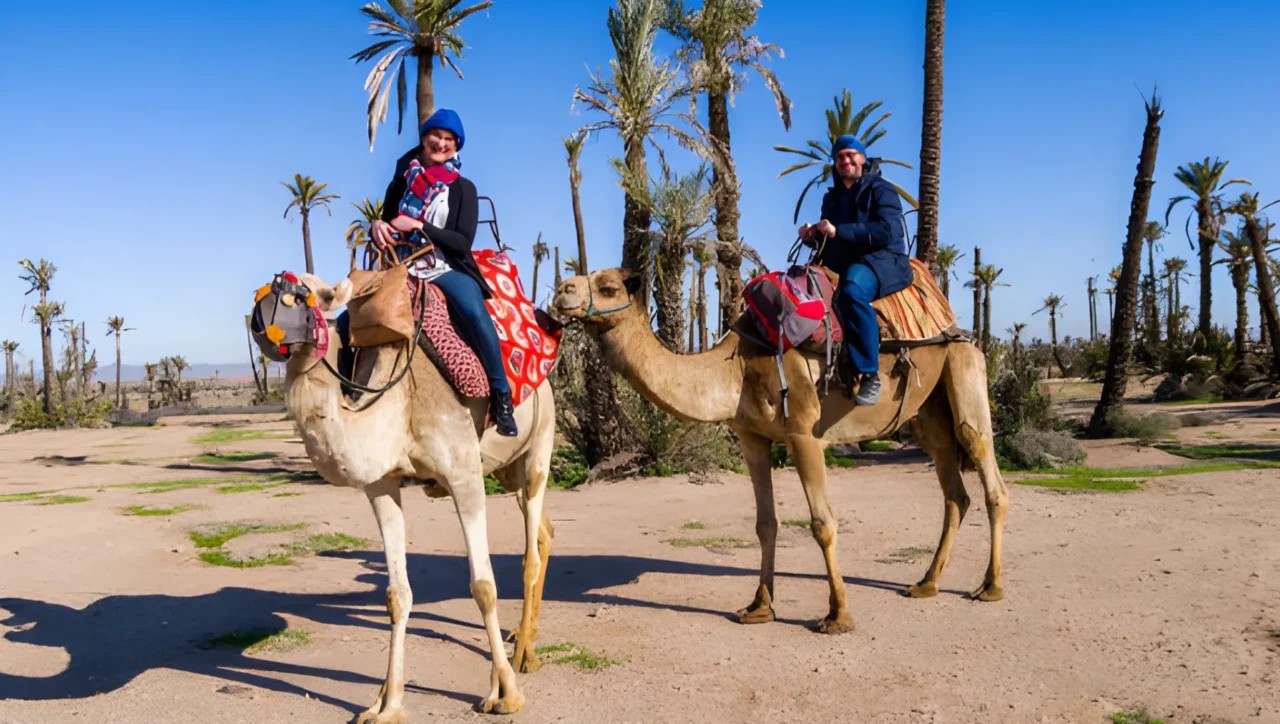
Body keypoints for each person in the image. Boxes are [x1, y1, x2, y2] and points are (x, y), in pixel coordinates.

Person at [338, 108, 517, 436]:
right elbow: (389, 219)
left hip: (443, 266)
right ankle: (347, 391)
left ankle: (501, 396)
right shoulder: (403, 181)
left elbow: (462, 241)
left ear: (456, 146)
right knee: (346, 319)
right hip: (400, 267)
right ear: (424, 137)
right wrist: (378, 225)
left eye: (450, 139)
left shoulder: (463, 188)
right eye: (437, 136)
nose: (442, 143)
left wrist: (421, 225)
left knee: (475, 313)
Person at [799, 134, 911, 406]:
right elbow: (833, 244)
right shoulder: (832, 199)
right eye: (840, 157)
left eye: (851, 155)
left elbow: (885, 232)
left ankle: (870, 374)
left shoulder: (882, 190)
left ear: (862, 158)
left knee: (852, 292)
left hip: (883, 260)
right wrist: (813, 237)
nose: (845, 160)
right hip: (849, 262)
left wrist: (839, 230)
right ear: (835, 164)